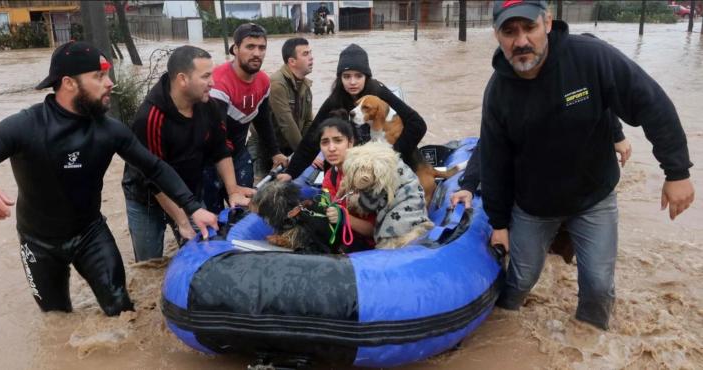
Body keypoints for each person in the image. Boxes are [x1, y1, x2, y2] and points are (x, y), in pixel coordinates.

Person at [0, 41, 218, 316]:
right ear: (69, 83)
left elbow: (155, 167)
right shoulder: (24, 127)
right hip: (38, 243)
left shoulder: (111, 130)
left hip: (91, 235)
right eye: (99, 76)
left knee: (122, 312)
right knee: (56, 319)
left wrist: (193, 207)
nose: (110, 83)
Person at [479, 1, 694, 330]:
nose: (521, 40)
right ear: (497, 36)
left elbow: (650, 102)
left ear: (548, 23)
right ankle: (506, 331)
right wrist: (498, 222)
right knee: (519, 281)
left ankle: (588, 343)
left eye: (529, 27)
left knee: (597, 287)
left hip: (594, 198)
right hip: (534, 207)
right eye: (510, 31)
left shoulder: (591, 58)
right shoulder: (498, 92)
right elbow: (494, 160)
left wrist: (677, 172)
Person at [122, 46, 254, 262]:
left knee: (203, 253)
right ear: (182, 79)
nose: (213, 82)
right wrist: (182, 221)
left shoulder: (207, 106)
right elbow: (152, 177)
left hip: (190, 193)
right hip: (146, 198)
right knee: (150, 265)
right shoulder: (150, 117)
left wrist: (232, 190)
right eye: (206, 76)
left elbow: (220, 150)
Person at [277, 43, 427, 182]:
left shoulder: (378, 93)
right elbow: (312, 138)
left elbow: (418, 125)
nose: (352, 82)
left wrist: (393, 154)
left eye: (358, 76)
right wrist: (291, 172)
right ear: (340, 78)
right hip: (346, 167)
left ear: (366, 77)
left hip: (379, 166)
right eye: (346, 76)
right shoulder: (335, 99)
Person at [450, 118, 633, 209]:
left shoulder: (580, 66)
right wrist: (469, 186)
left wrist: (617, 134)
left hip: (580, 186)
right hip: (533, 191)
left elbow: (601, 92)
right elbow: (488, 143)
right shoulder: (508, 91)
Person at [204, 23, 288, 213]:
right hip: (210, 159)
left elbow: (263, 120)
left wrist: (275, 152)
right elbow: (217, 140)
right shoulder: (219, 82)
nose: (257, 53)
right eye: (250, 47)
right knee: (214, 216)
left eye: (262, 47)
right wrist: (230, 187)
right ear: (235, 49)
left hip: (239, 153)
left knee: (244, 211)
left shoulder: (264, 81)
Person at [247, 37, 314, 180]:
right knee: (258, 191)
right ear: (292, 61)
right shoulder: (277, 83)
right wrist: (305, 155)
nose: (311, 58)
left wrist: (313, 149)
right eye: (305, 54)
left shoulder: (306, 86)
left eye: (310, 53)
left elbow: (309, 122)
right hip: (264, 148)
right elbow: (286, 123)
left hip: (288, 146)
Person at [317, 117, 376, 252]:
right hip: (348, 242)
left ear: (350, 143)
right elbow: (326, 209)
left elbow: (376, 229)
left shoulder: (366, 175)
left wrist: (344, 217)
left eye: (338, 141)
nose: (331, 148)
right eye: (325, 142)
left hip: (374, 250)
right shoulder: (330, 176)